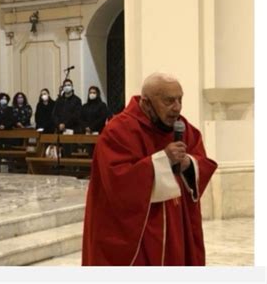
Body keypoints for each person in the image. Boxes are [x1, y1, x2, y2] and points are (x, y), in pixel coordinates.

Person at [82, 73, 217, 266]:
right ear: (146, 103)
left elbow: (201, 161)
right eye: (169, 101)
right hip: (140, 230)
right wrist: (163, 160)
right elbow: (118, 181)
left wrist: (188, 163)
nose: (177, 108)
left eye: (180, 99)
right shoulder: (118, 130)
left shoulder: (183, 128)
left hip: (177, 225)